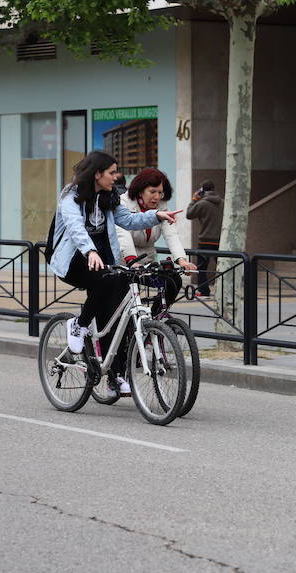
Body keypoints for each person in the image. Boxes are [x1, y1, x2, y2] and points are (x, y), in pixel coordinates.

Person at [48, 151, 181, 398]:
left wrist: (156, 216)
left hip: (103, 258)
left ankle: (115, 376)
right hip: (74, 258)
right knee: (102, 283)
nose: (116, 176)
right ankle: (78, 325)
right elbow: (75, 227)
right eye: (112, 172)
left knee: (113, 314)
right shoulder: (71, 195)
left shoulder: (109, 196)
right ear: (97, 173)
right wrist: (89, 251)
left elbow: (128, 220)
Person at [116, 167, 197, 313]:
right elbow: (123, 235)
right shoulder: (123, 203)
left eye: (160, 192)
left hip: (146, 263)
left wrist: (182, 260)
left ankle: (154, 322)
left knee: (173, 281)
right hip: (124, 263)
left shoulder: (162, 206)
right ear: (140, 190)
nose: (157, 197)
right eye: (152, 192)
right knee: (123, 308)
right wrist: (132, 261)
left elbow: (171, 234)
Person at [186, 180, 223, 298]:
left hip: (205, 240)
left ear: (202, 190)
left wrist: (194, 200)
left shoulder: (202, 203)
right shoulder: (222, 202)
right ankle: (226, 289)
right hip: (220, 240)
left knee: (202, 268)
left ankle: (204, 291)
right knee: (224, 266)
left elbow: (189, 214)